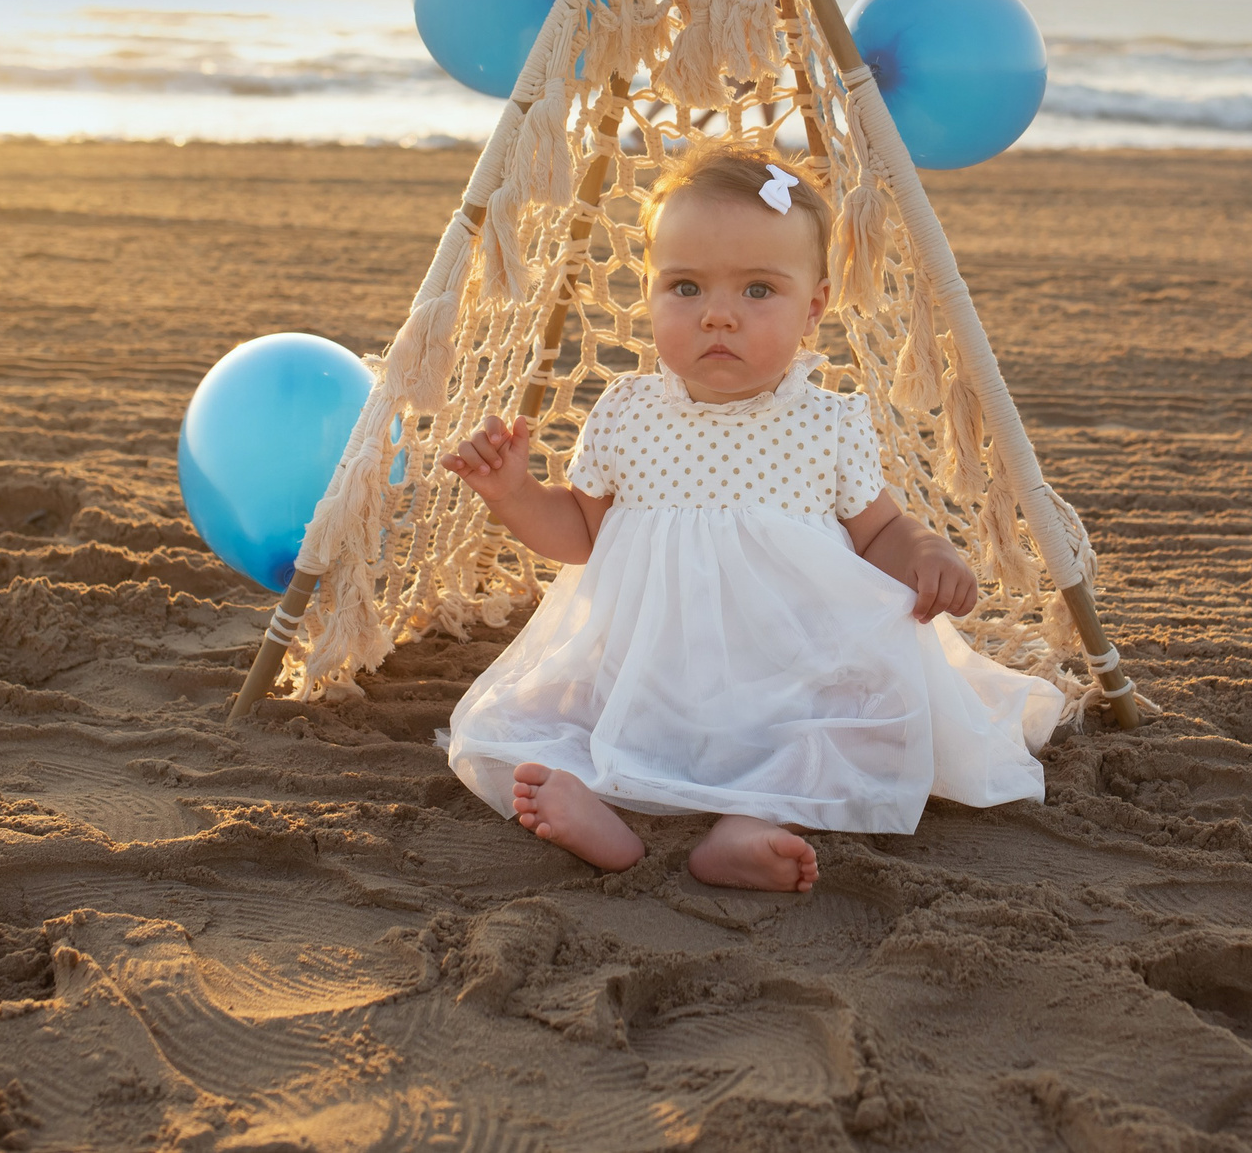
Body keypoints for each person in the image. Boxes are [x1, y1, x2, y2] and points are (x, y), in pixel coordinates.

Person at [439, 144, 1065, 893]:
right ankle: (601, 812)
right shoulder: (628, 412)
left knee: (850, 724)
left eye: (759, 289)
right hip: (654, 666)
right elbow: (580, 535)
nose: (718, 314)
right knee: (551, 719)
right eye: (685, 286)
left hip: (790, 667)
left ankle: (745, 830)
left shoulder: (828, 421)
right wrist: (512, 492)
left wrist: (926, 548)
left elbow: (878, 531)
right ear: (648, 292)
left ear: (815, 307)